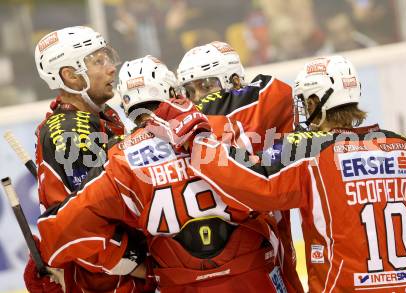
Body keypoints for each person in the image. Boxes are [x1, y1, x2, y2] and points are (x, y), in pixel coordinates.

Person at [156, 55, 406, 292]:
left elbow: (252, 183)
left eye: (305, 103)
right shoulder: (404, 148)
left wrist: (199, 141)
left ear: (316, 103)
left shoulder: (310, 149)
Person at [36, 55, 300, 292]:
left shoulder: (122, 157)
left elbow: (60, 228)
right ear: (174, 91)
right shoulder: (227, 127)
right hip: (253, 276)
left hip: (176, 282)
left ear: (127, 107)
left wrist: (126, 261)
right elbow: (274, 185)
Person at [27, 26, 150, 293]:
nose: (111, 68)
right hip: (110, 284)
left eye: (107, 57)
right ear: (70, 76)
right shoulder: (71, 133)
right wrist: (149, 271)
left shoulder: (98, 116)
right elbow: (84, 226)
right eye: (98, 61)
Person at [177, 40, 303, 291]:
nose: (199, 98)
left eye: (205, 85)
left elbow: (272, 93)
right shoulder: (262, 99)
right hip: (235, 244)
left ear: (234, 80)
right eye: (190, 91)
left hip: (259, 234)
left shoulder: (262, 98)